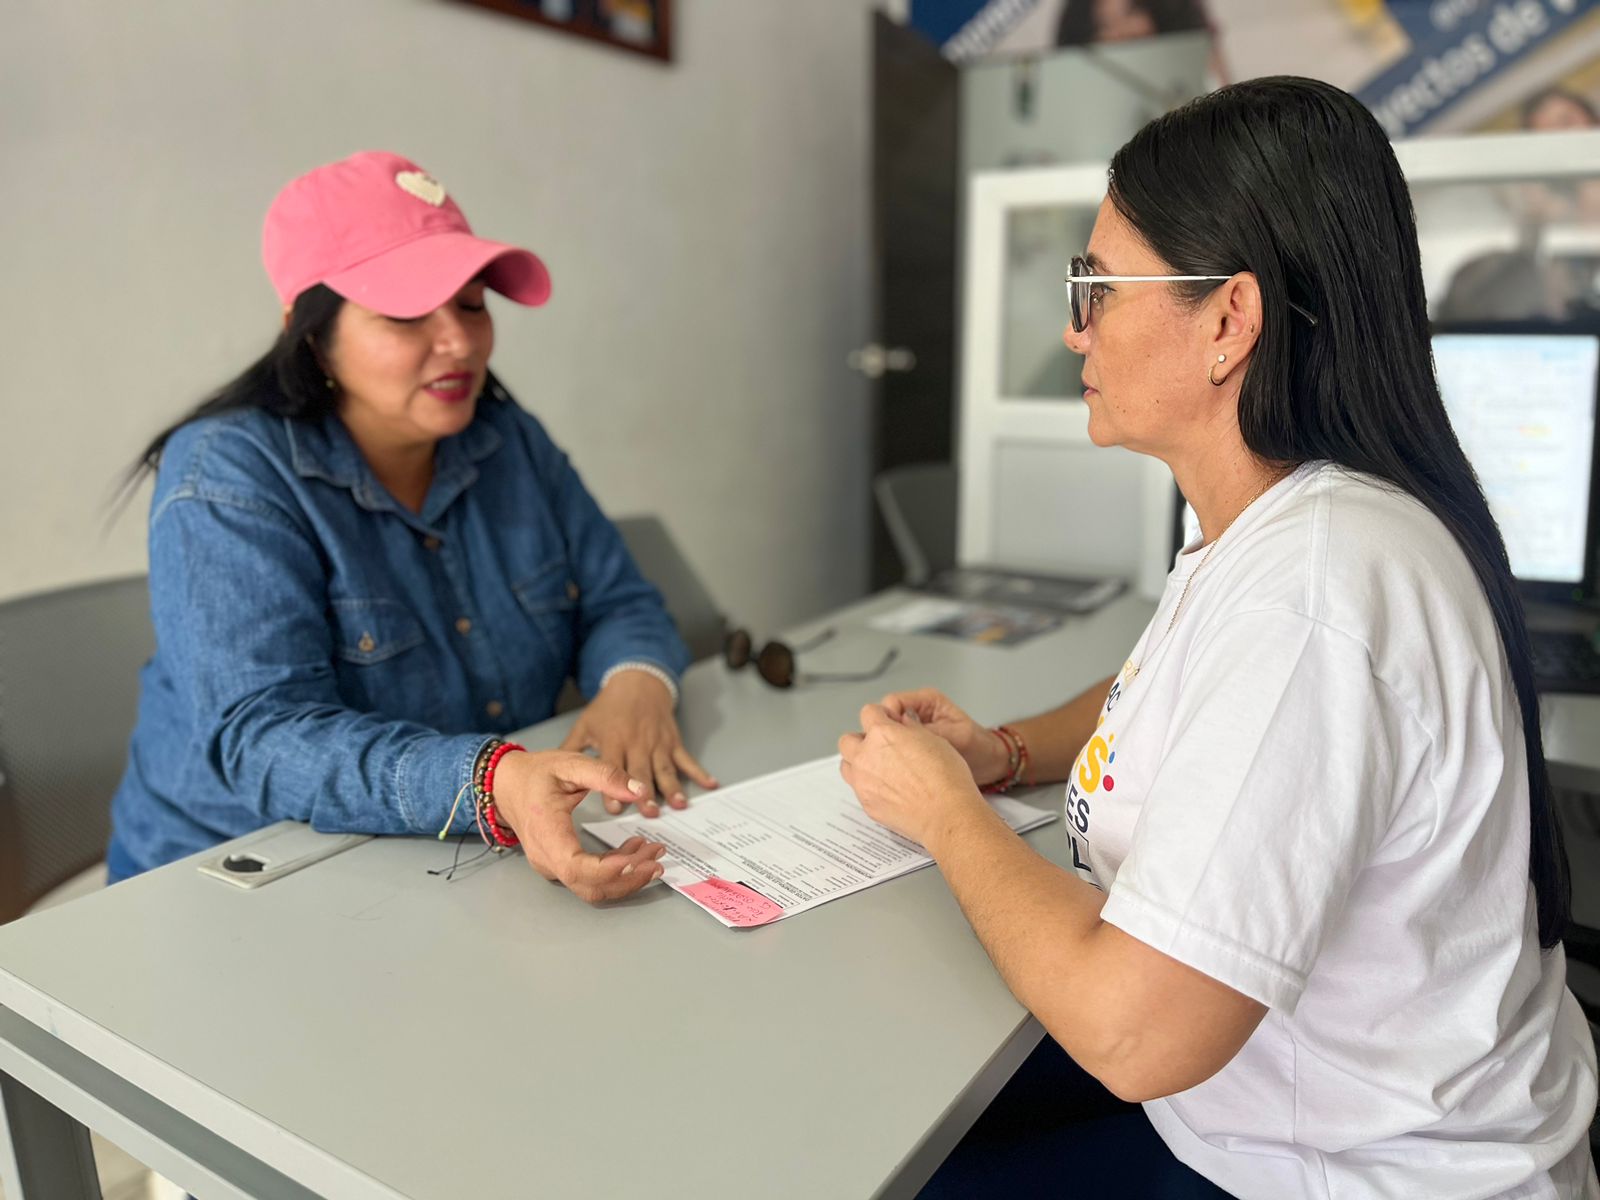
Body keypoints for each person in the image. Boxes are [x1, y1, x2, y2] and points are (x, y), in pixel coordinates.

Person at [839, 77, 1598, 1197]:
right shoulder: (1284, 521)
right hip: (1265, 1114)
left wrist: (946, 813)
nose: (1073, 327)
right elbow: (1172, 689)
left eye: (1098, 288)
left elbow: (1135, 1033)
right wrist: (1001, 752)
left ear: (1229, 322)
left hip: (1346, 1173)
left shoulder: (1316, 592)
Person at [108, 151, 716, 902]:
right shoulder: (226, 474)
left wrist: (635, 682)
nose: (459, 342)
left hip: (451, 864)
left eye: (472, 304)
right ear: (309, 333)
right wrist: (489, 782)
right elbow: (266, 740)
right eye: (405, 313)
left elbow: (619, 600)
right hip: (236, 881)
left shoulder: (507, 437)